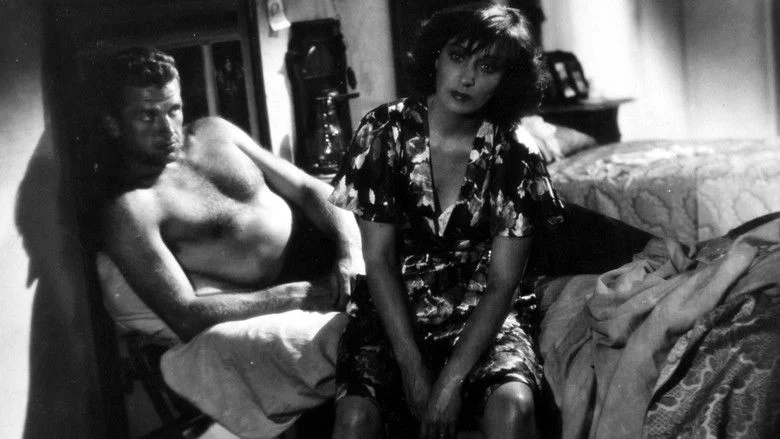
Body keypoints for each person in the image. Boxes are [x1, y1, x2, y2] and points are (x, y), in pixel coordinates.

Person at [94, 47, 361, 437]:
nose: (167, 129)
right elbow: (185, 314)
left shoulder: (214, 132)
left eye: (173, 109)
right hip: (294, 284)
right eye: (146, 116)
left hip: (333, 245)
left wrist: (349, 251)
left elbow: (308, 188)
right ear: (113, 124)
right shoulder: (131, 208)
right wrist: (300, 295)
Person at [328, 4, 565, 439]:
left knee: (512, 410)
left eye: (487, 67)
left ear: (505, 79)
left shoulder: (516, 153)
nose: (467, 78)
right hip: (394, 314)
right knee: (355, 421)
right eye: (458, 56)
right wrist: (413, 369)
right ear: (436, 56)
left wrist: (450, 382)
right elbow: (378, 260)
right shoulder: (383, 132)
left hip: (481, 316)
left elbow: (502, 284)